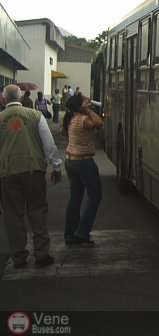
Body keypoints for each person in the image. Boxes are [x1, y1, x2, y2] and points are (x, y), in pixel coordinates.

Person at [0, 85, 62, 269]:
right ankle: (41, 254)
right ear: (20, 97)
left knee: (13, 215)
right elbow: (48, 143)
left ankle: (19, 257)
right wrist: (56, 166)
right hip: (33, 169)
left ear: (4, 99)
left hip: (7, 172)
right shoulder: (35, 116)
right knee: (37, 210)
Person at [61, 93, 103, 245]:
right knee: (95, 196)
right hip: (84, 162)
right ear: (80, 106)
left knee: (75, 198)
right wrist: (90, 110)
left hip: (70, 161)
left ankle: (70, 233)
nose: (89, 101)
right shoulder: (84, 119)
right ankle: (82, 232)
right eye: (86, 100)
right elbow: (99, 123)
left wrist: (86, 107)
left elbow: (64, 133)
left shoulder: (71, 118)